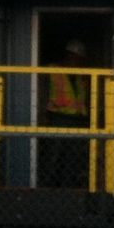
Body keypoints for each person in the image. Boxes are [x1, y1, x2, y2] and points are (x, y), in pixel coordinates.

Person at [41, 39, 90, 188]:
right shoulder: (52, 71)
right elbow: (41, 91)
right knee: (53, 154)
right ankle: (48, 186)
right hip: (58, 118)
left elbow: (83, 99)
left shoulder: (81, 76)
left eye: (79, 59)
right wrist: (42, 115)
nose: (76, 61)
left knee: (72, 156)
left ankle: (68, 186)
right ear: (67, 56)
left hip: (77, 120)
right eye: (74, 57)